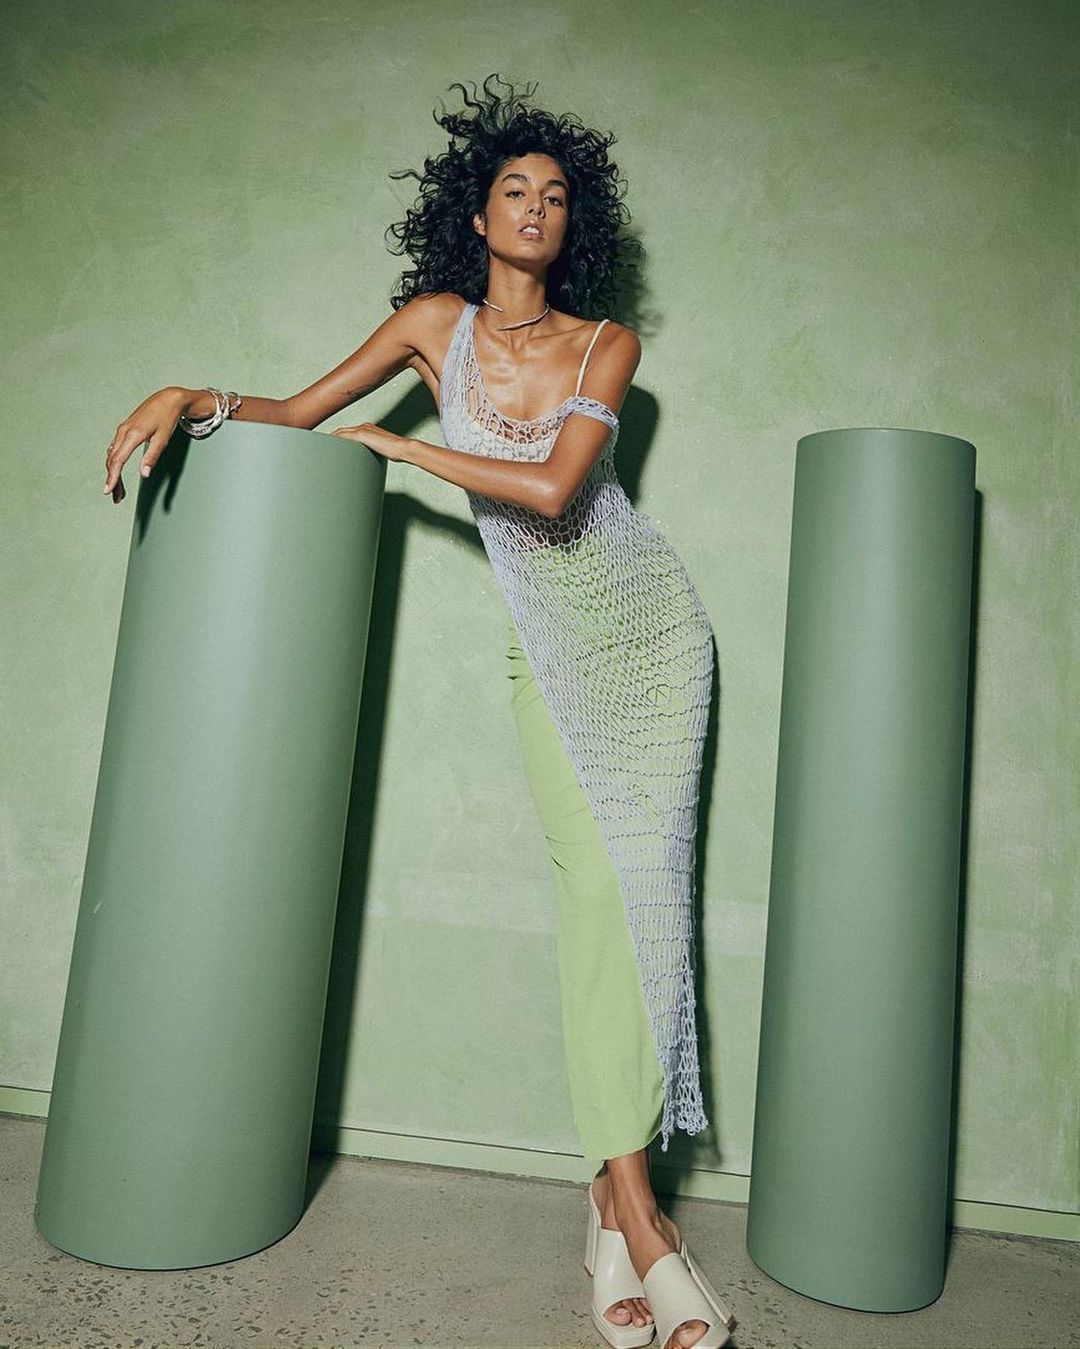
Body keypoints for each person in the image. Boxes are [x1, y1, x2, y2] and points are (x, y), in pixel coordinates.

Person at [101, 73, 734, 1349]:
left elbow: (555, 490)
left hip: (653, 640)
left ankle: (621, 1206)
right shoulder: (431, 324)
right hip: (547, 649)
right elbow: (295, 413)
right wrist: (193, 395)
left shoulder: (608, 343)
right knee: (595, 902)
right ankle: (630, 1211)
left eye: (558, 195)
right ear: (477, 212)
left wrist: (406, 450)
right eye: (515, 189)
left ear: (574, 224)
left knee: (642, 903)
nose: (536, 207)